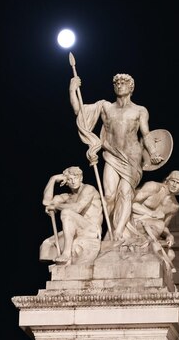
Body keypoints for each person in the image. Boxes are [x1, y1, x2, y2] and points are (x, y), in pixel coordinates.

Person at [69, 73, 164, 241]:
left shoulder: (140, 110)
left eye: (124, 83)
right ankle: (101, 230)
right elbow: (79, 112)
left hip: (132, 158)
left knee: (126, 194)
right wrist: (72, 89)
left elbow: (146, 134)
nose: (120, 85)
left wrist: (153, 152)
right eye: (117, 83)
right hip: (111, 155)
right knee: (109, 195)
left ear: (131, 87)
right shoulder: (106, 107)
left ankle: (118, 232)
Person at [40, 166, 103, 266]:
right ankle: (60, 263)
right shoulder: (67, 196)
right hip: (78, 231)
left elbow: (77, 208)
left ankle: (66, 253)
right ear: (65, 181)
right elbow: (46, 202)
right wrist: (53, 179)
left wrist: (56, 206)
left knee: (66, 213)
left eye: (76, 178)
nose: (73, 181)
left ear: (81, 178)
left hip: (91, 230)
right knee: (47, 244)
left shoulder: (89, 189)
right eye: (69, 179)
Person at [127, 170, 179, 266]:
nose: (174, 185)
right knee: (158, 224)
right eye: (173, 181)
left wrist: (169, 235)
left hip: (152, 230)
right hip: (133, 222)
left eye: (178, 183)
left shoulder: (174, 206)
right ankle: (142, 249)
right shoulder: (153, 187)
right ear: (167, 180)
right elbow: (130, 203)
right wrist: (150, 213)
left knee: (170, 255)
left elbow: (164, 227)